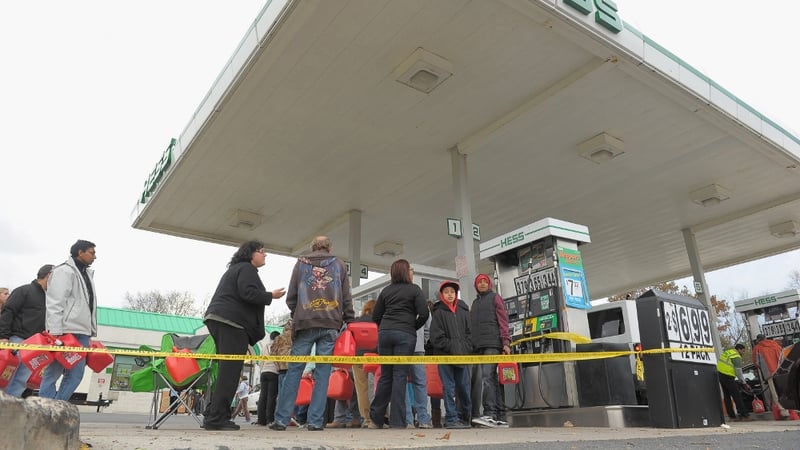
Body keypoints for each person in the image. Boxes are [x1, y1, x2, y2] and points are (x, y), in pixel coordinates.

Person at [270, 236, 354, 432]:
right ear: (329, 247)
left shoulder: (300, 264)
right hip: (330, 324)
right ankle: (316, 421)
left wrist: (298, 313)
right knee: (323, 374)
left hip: (305, 323)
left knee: (294, 372)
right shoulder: (339, 264)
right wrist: (347, 319)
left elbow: (291, 296)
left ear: (313, 247)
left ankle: (282, 420)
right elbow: (346, 296)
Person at [202, 240, 286, 431]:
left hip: (219, 318)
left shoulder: (235, 269)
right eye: (262, 251)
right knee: (230, 372)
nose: (265, 255)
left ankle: (213, 413)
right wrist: (269, 295)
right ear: (251, 254)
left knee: (226, 370)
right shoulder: (247, 270)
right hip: (231, 322)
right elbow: (247, 293)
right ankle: (217, 418)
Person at [369, 260, 430, 429]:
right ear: (405, 272)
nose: (412, 271)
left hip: (385, 334)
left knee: (386, 376)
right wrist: (411, 327)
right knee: (400, 376)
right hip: (405, 335)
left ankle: (376, 419)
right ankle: (397, 421)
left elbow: (375, 316)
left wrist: (385, 328)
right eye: (410, 269)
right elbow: (424, 314)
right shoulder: (415, 290)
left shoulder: (386, 291)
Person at [40, 240, 98, 401]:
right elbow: (55, 302)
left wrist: (90, 330)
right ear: (80, 252)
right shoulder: (63, 271)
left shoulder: (86, 274)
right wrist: (55, 332)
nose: (95, 257)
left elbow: (89, 304)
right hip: (65, 331)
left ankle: (58, 407)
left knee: (76, 374)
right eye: (92, 252)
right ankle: (45, 407)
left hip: (82, 332)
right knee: (53, 372)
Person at [0, 264, 53, 397]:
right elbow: (8, 312)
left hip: (36, 345)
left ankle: (11, 408)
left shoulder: (51, 298)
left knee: (22, 380)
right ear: (48, 276)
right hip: (18, 339)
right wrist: (4, 336)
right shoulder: (24, 291)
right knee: (7, 376)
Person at [429, 280, 473, 429]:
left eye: (452, 292)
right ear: (442, 294)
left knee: (464, 387)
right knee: (448, 387)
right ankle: (451, 419)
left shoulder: (463, 309)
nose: (450, 294)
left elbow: (470, 333)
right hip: (445, 356)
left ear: (456, 294)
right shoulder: (438, 311)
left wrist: (465, 347)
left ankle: (466, 417)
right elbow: (436, 338)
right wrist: (452, 346)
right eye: (446, 292)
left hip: (462, 355)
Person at [470, 273, 511, 428]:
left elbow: (503, 320)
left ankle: (489, 414)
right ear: (476, 285)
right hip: (480, 347)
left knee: (487, 378)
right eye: (479, 281)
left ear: (489, 284)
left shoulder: (495, 298)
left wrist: (506, 342)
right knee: (493, 380)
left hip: (493, 344)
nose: (482, 284)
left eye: (484, 281)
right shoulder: (474, 303)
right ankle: (501, 417)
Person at [405, 302, 433, 429]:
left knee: (403, 384)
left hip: (402, 348)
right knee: (420, 383)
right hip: (418, 347)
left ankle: (408, 420)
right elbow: (428, 326)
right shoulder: (421, 304)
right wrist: (423, 341)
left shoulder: (396, 301)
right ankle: (423, 419)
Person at [351, 299, 377, 428]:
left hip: (358, 357)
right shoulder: (379, 321)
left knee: (362, 389)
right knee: (379, 387)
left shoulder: (356, 321)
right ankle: (382, 416)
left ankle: (366, 419)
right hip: (375, 356)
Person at [752, 334, 790, 419]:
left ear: (758, 340)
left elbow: (756, 363)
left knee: (775, 392)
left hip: (769, 373)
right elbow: (784, 357)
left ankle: (784, 412)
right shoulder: (776, 345)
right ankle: (792, 409)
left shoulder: (757, 348)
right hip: (782, 372)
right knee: (784, 391)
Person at [717, 343, 753, 422]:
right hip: (728, 376)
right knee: (737, 395)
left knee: (727, 397)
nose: (743, 353)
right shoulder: (736, 356)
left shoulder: (728, 352)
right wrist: (744, 383)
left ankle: (732, 416)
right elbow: (739, 372)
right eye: (742, 351)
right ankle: (745, 415)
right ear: (739, 349)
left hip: (720, 375)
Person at [255, 330, 281, 426]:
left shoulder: (264, 347)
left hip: (264, 373)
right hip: (273, 373)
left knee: (263, 396)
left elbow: (261, 361)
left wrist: (262, 370)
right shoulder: (278, 346)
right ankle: (270, 419)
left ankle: (261, 420)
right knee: (271, 397)